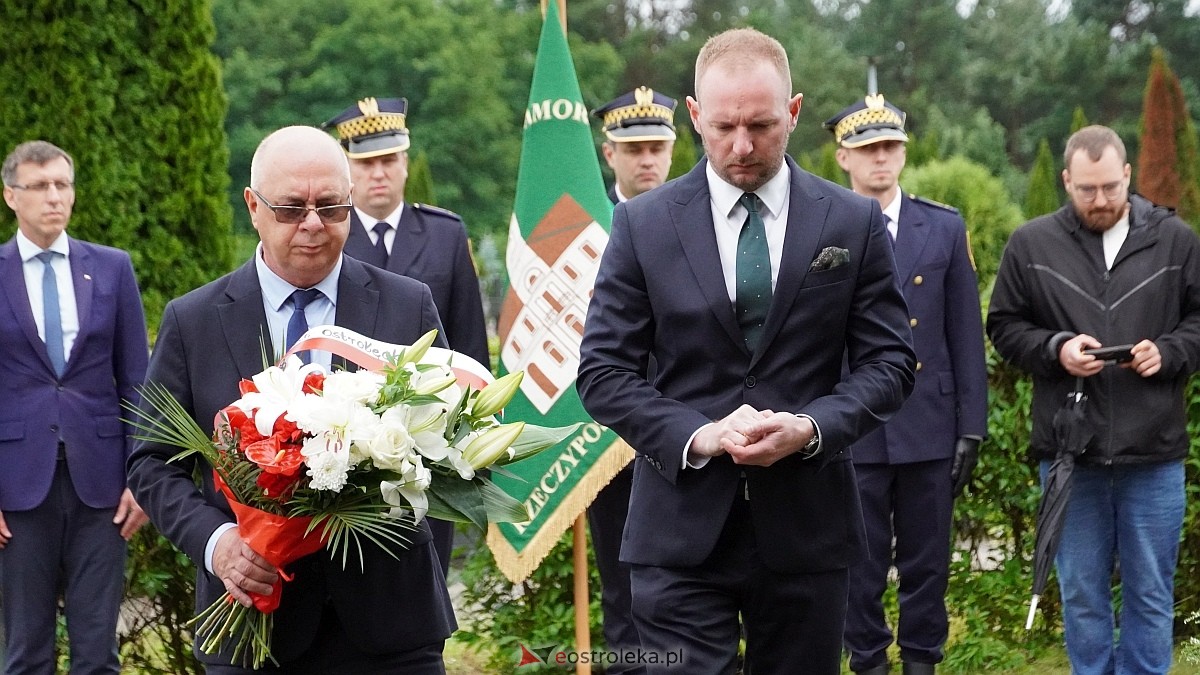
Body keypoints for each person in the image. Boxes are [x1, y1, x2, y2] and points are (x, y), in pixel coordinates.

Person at [577, 28, 916, 675]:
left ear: (792, 112)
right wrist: (698, 434)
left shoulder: (851, 223)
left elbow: (891, 363)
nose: (741, 145)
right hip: (678, 532)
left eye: (761, 125)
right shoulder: (643, 225)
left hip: (808, 527)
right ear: (696, 115)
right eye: (723, 126)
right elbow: (602, 372)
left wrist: (813, 426)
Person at [126, 126, 456, 674]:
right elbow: (151, 461)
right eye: (290, 208)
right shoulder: (194, 321)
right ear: (253, 207)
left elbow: (447, 439)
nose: (311, 224)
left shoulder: (407, 307)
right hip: (252, 621)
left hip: (391, 624)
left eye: (331, 207)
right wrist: (218, 544)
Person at [987, 125, 1200, 675]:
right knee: (1082, 597)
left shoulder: (1177, 241)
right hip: (1069, 456)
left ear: (1128, 175)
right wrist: (1056, 349)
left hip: (1153, 454)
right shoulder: (1030, 244)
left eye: (1110, 187)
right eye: (1087, 190)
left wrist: (1170, 352)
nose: (1101, 200)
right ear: (1066, 181)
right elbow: (1005, 327)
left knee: (1151, 596)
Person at [825, 95, 988, 675]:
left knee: (928, 563)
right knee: (858, 564)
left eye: (890, 146)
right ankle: (868, 662)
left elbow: (965, 333)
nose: (881, 159)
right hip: (855, 425)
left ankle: (922, 661)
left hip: (929, 424)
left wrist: (972, 425)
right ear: (844, 156)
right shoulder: (823, 226)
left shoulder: (942, 227)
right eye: (868, 150)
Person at [322, 97, 489, 575]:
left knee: (426, 573)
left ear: (405, 162)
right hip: (346, 444)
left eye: (389, 160)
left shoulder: (444, 234)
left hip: (424, 446)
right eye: (366, 162)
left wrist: (466, 440)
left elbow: (468, 346)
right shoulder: (329, 236)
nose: (379, 173)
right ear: (348, 168)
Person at [0, 140, 150, 674]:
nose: (54, 197)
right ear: (10, 195)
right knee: (24, 654)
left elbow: (136, 379)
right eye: (40, 186)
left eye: (63, 184)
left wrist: (141, 475)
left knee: (97, 653)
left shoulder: (110, 269)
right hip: (17, 488)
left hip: (102, 487)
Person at [585, 85, 678, 673]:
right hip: (601, 438)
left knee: (689, 594)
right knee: (621, 592)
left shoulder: (703, 221)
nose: (646, 159)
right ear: (608, 152)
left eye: (657, 147)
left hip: (682, 436)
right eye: (633, 147)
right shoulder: (578, 233)